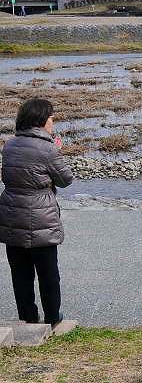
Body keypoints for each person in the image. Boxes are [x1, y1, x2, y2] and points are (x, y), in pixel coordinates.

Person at [0, 99, 73, 326]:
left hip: (12, 215)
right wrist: (57, 151)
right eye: (51, 117)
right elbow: (65, 179)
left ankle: (28, 320)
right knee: (48, 273)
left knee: (20, 275)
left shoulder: (9, 145)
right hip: (41, 216)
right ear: (41, 120)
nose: (53, 121)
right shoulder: (48, 148)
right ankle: (53, 318)